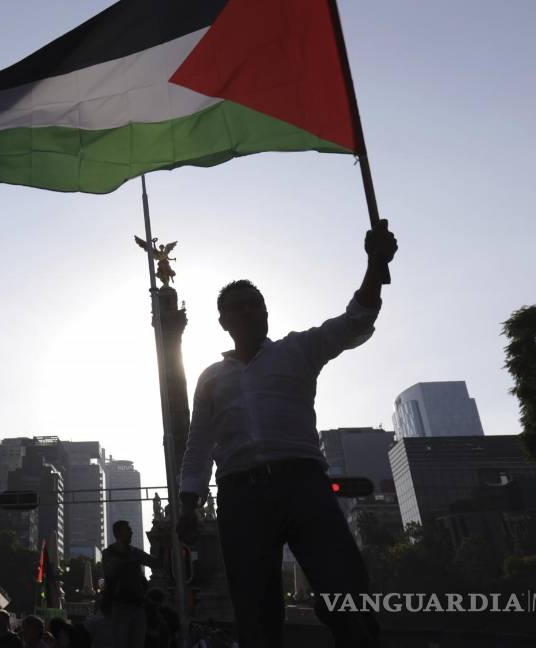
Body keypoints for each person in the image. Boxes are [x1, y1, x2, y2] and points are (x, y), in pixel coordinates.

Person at [176, 221, 397, 647]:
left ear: (266, 311)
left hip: (304, 484)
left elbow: (356, 321)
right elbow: (198, 445)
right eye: (237, 307)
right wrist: (189, 504)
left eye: (254, 304)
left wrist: (375, 264)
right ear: (223, 321)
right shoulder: (210, 378)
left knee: (345, 592)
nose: (247, 311)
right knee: (255, 611)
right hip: (240, 494)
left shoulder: (299, 349)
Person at [101, 520, 155, 648]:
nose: (131, 532)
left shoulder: (134, 552)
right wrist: (124, 563)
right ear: (119, 533)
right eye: (128, 530)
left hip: (138, 605)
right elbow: (109, 573)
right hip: (120, 606)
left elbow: (154, 562)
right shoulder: (109, 553)